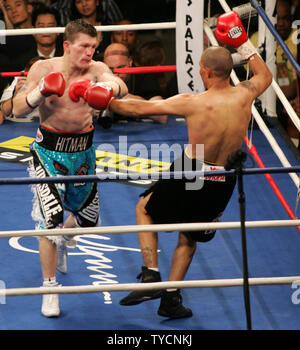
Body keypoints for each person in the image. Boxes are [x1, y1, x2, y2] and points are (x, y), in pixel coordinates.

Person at [109, 11, 272, 318]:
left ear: (207, 73)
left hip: (192, 170)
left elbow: (139, 107)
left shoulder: (193, 102)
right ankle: (171, 299)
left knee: (145, 208)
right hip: (224, 177)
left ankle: (151, 275)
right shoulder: (246, 94)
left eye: (200, 68)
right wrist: (242, 43)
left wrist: (107, 98)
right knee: (190, 236)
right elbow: (265, 75)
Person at [12, 19, 127, 317]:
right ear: (67, 45)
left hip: (83, 152)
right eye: (84, 46)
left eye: (93, 46)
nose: (89, 52)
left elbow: (121, 88)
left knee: (89, 220)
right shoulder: (44, 69)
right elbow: (16, 108)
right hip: (48, 152)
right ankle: (49, 288)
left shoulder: (96, 69)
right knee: (49, 221)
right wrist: (39, 93)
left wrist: (106, 86)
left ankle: (64, 236)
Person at [102, 43, 167, 124]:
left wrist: (121, 96)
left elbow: (161, 116)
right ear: (103, 65)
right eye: (111, 69)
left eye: (121, 68)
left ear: (130, 62)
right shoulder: (97, 75)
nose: (116, 74)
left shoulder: (143, 76)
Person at [0, 56, 46, 122]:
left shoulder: (54, 79)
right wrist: (15, 94)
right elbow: (4, 111)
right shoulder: (21, 78)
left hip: (47, 123)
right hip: (21, 123)